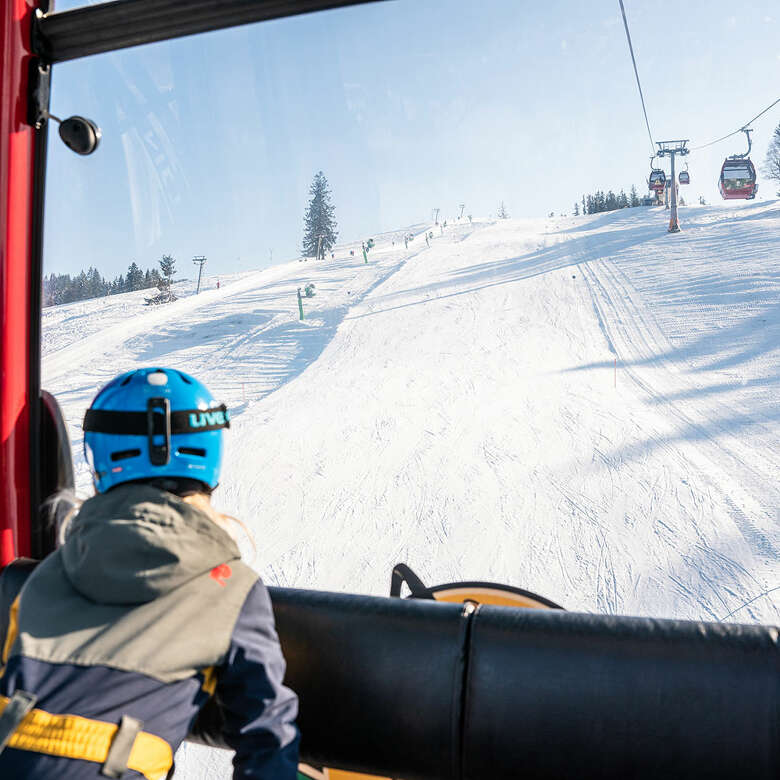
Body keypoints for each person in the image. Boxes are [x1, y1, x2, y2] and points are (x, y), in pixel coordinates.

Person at [0, 368, 300, 779]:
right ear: (209, 454)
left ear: (99, 457)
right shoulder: (230, 589)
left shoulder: (49, 573)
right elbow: (268, 734)